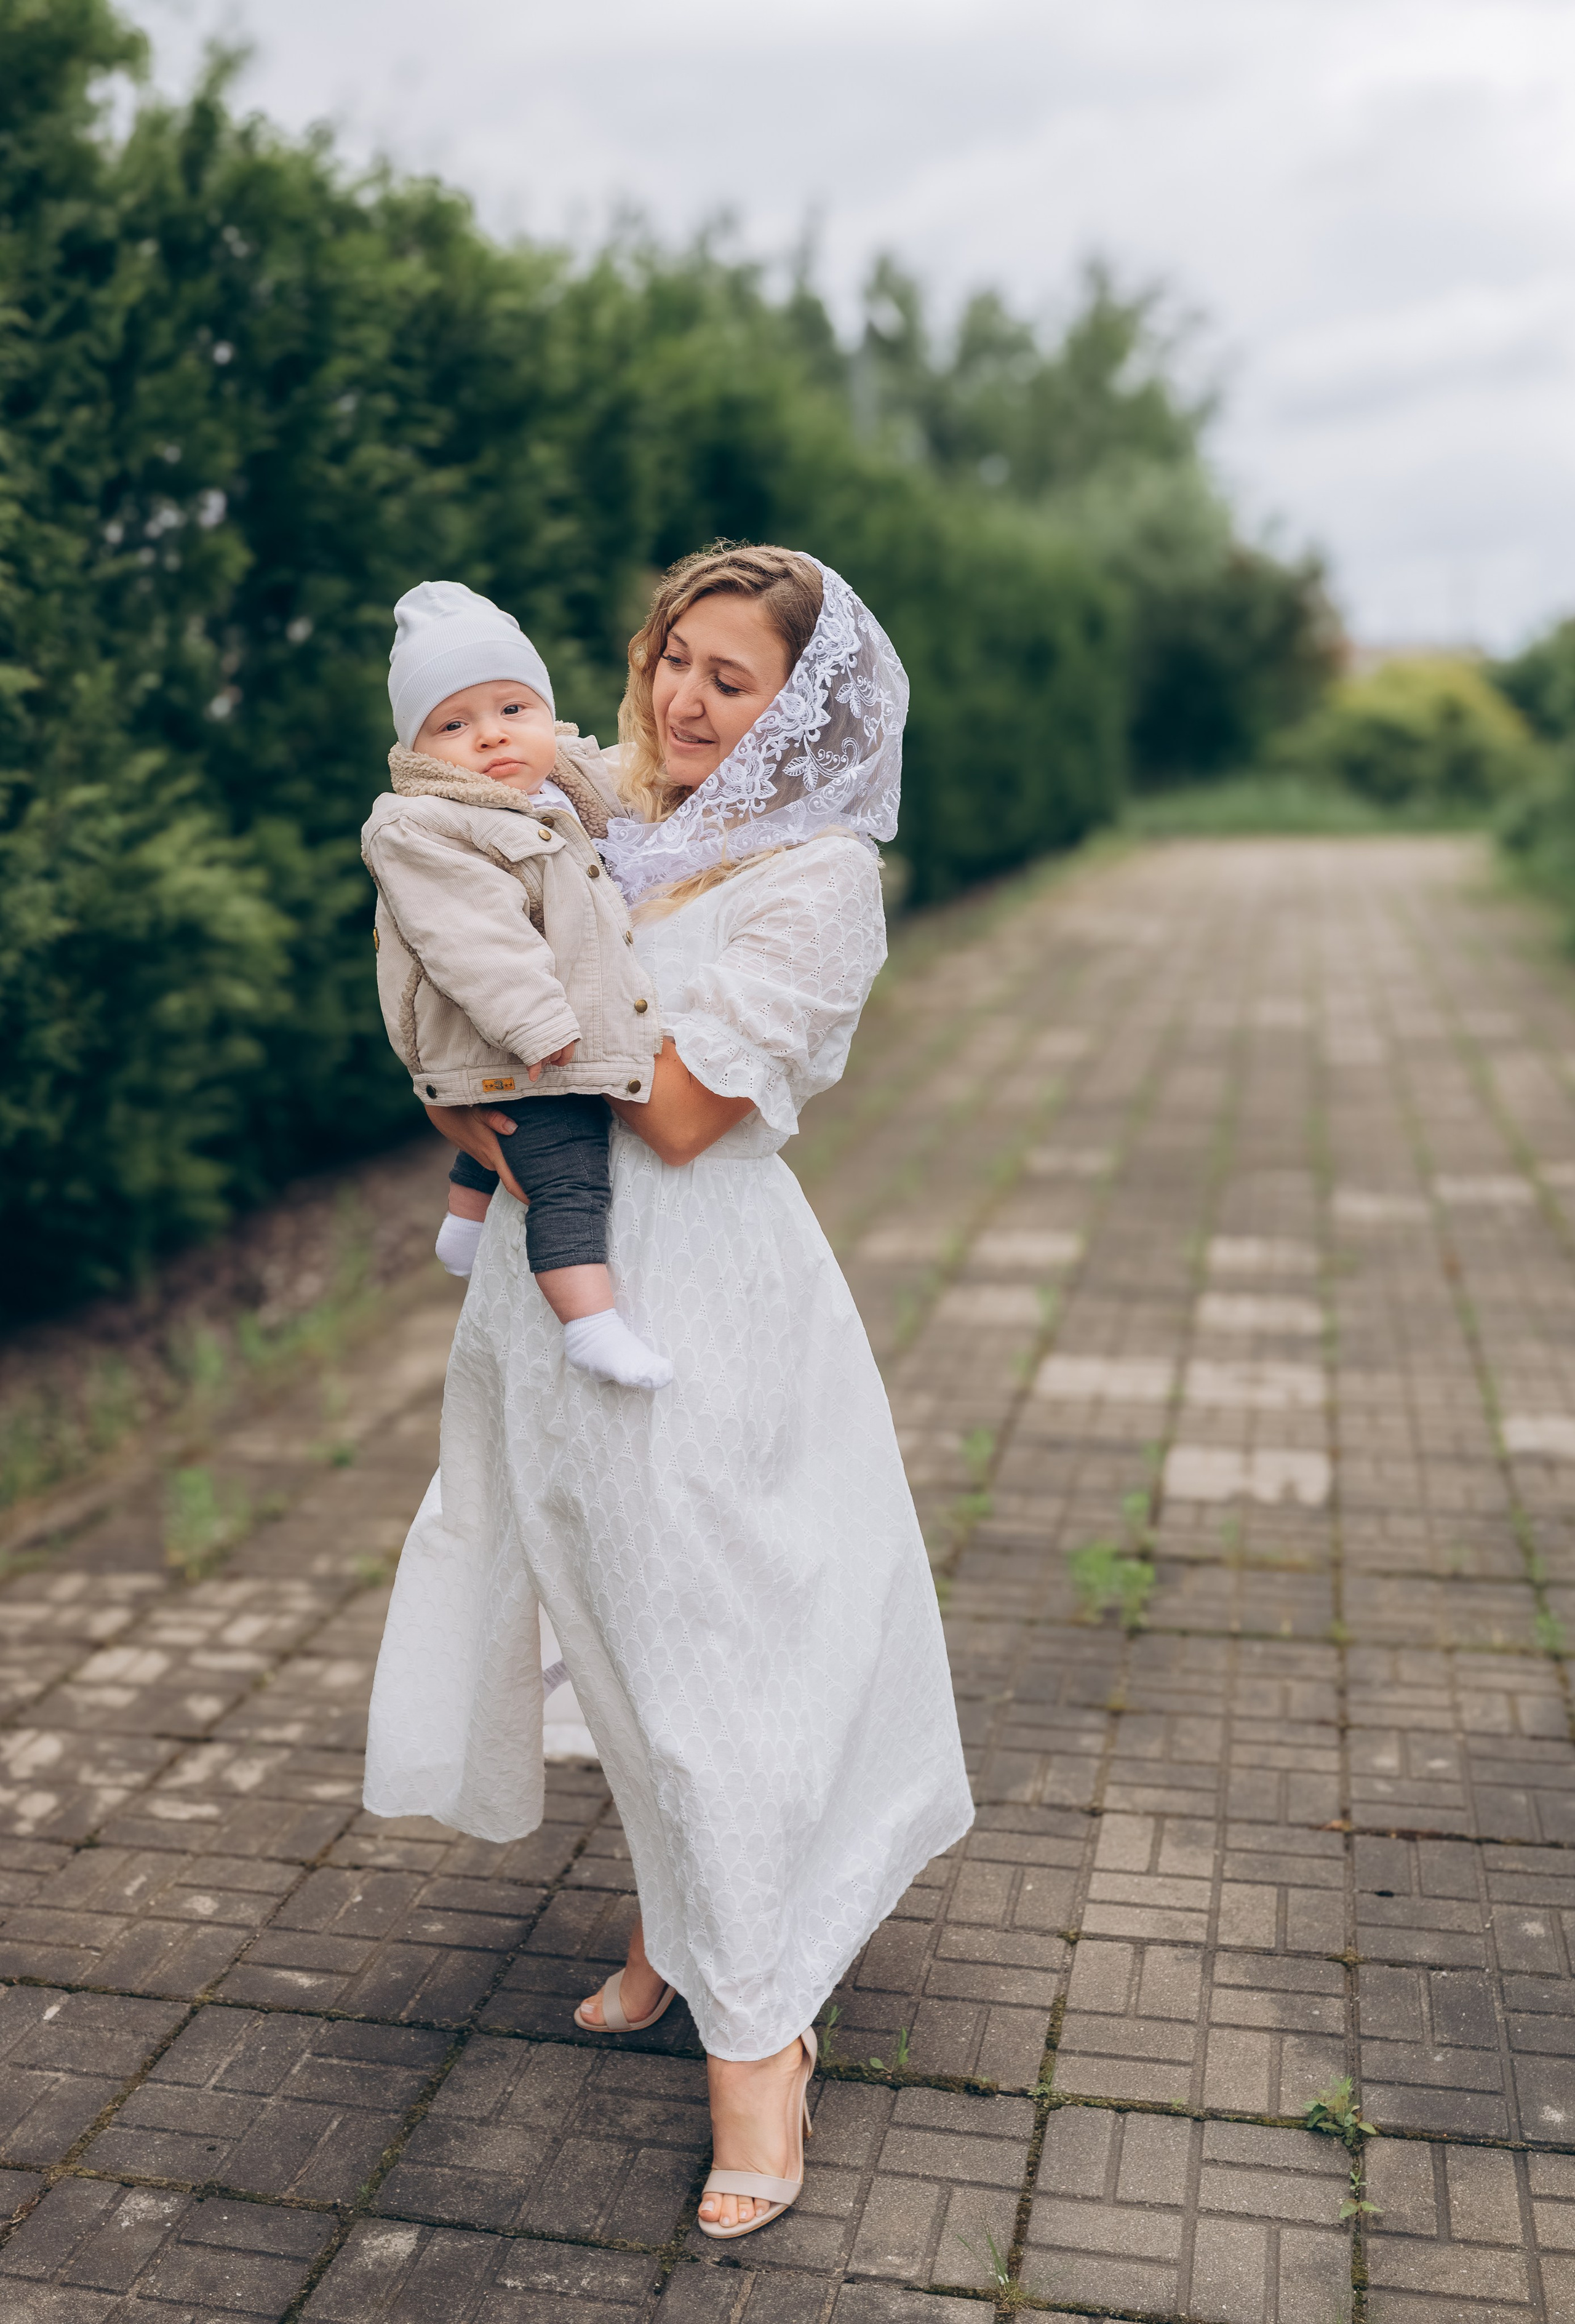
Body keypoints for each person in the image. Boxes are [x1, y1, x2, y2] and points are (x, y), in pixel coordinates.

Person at [364, 544, 974, 2238]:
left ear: (801, 715)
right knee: (608, 1620)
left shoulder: (813, 878)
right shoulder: (592, 812)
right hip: (546, 1296)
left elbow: (690, 1109)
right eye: (673, 659)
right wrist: (467, 1075)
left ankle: (759, 2040)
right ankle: (671, 1929)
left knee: (712, 1646)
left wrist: (524, 1030)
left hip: (699, 1295)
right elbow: (454, 1052)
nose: (686, 698)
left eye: (734, 680)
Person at [362, 580, 672, 1389]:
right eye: (454, 724)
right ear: (419, 750)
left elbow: (615, 793)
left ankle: (464, 1225)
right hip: (519, 1036)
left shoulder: (554, 782)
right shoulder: (422, 825)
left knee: (510, 1135)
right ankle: (590, 1323)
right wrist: (538, 1022)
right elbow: (475, 941)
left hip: (521, 1041)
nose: (492, 737)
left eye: (513, 709)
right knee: (565, 1167)